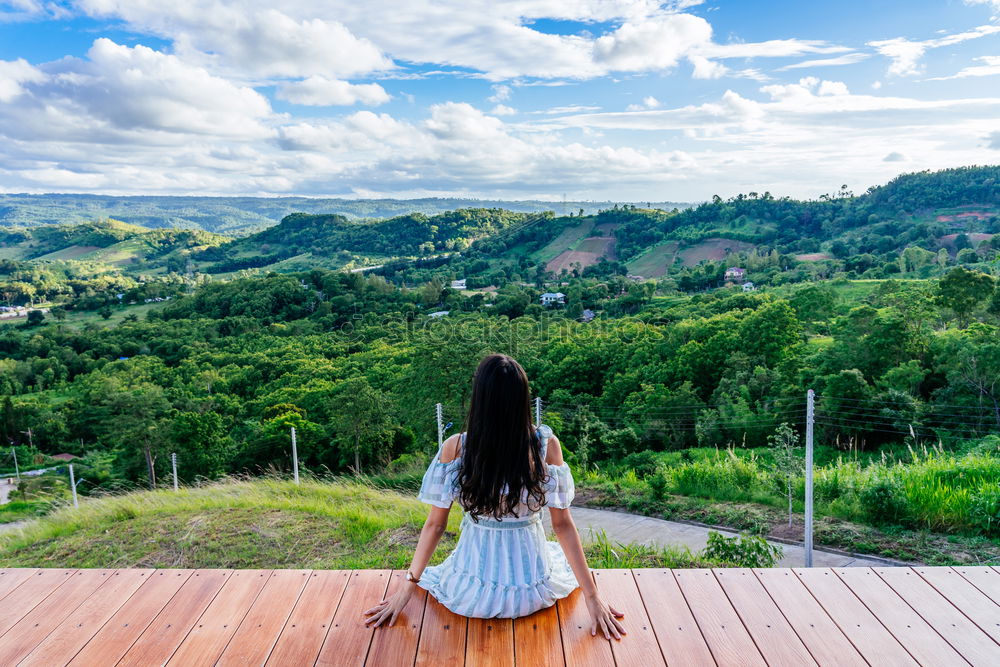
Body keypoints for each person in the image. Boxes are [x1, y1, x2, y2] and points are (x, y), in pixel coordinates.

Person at [363, 353, 626, 640]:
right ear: (522, 400)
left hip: (472, 589)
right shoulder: (546, 445)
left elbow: (435, 525)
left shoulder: (457, 448)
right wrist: (592, 597)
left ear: (480, 399)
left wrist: (406, 588)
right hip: (532, 588)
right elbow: (562, 525)